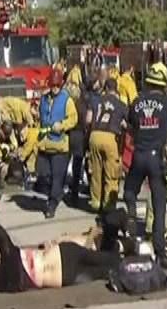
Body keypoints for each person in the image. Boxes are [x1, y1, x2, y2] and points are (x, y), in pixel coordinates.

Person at [125, 62, 167, 269]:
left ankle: (130, 213)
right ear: (163, 83)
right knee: (159, 205)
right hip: (157, 159)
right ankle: (160, 250)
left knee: (129, 190)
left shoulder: (136, 103)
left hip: (139, 156)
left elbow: (129, 124)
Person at [0, 222, 129, 292]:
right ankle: (132, 250)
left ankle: (134, 265)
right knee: (103, 259)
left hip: (64, 278)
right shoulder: (9, 259)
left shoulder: (6, 286)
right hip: (63, 255)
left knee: (104, 271)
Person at [36, 68, 78, 219]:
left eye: (57, 86)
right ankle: (55, 194)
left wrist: (62, 125)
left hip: (60, 146)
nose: (54, 89)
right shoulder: (44, 99)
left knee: (57, 177)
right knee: (44, 175)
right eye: (52, 85)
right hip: (44, 144)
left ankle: (52, 205)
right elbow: (39, 117)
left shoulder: (67, 100)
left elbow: (73, 119)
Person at [88, 78, 127, 212]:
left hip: (94, 135)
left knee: (96, 171)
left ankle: (95, 202)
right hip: (111, 137)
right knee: (111, 173)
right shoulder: (121, 104)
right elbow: (128, 124)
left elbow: (88, 119)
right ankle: (108, 205)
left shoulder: (96, 101)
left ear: (105, 89)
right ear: (116, 90)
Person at [67, 75, 91, 206]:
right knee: (78, 165)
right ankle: (77, 192)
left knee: (68, 163)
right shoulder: (83, 104)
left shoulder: (69, 104)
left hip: (70, 135)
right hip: (81, 136)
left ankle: (71, 191)